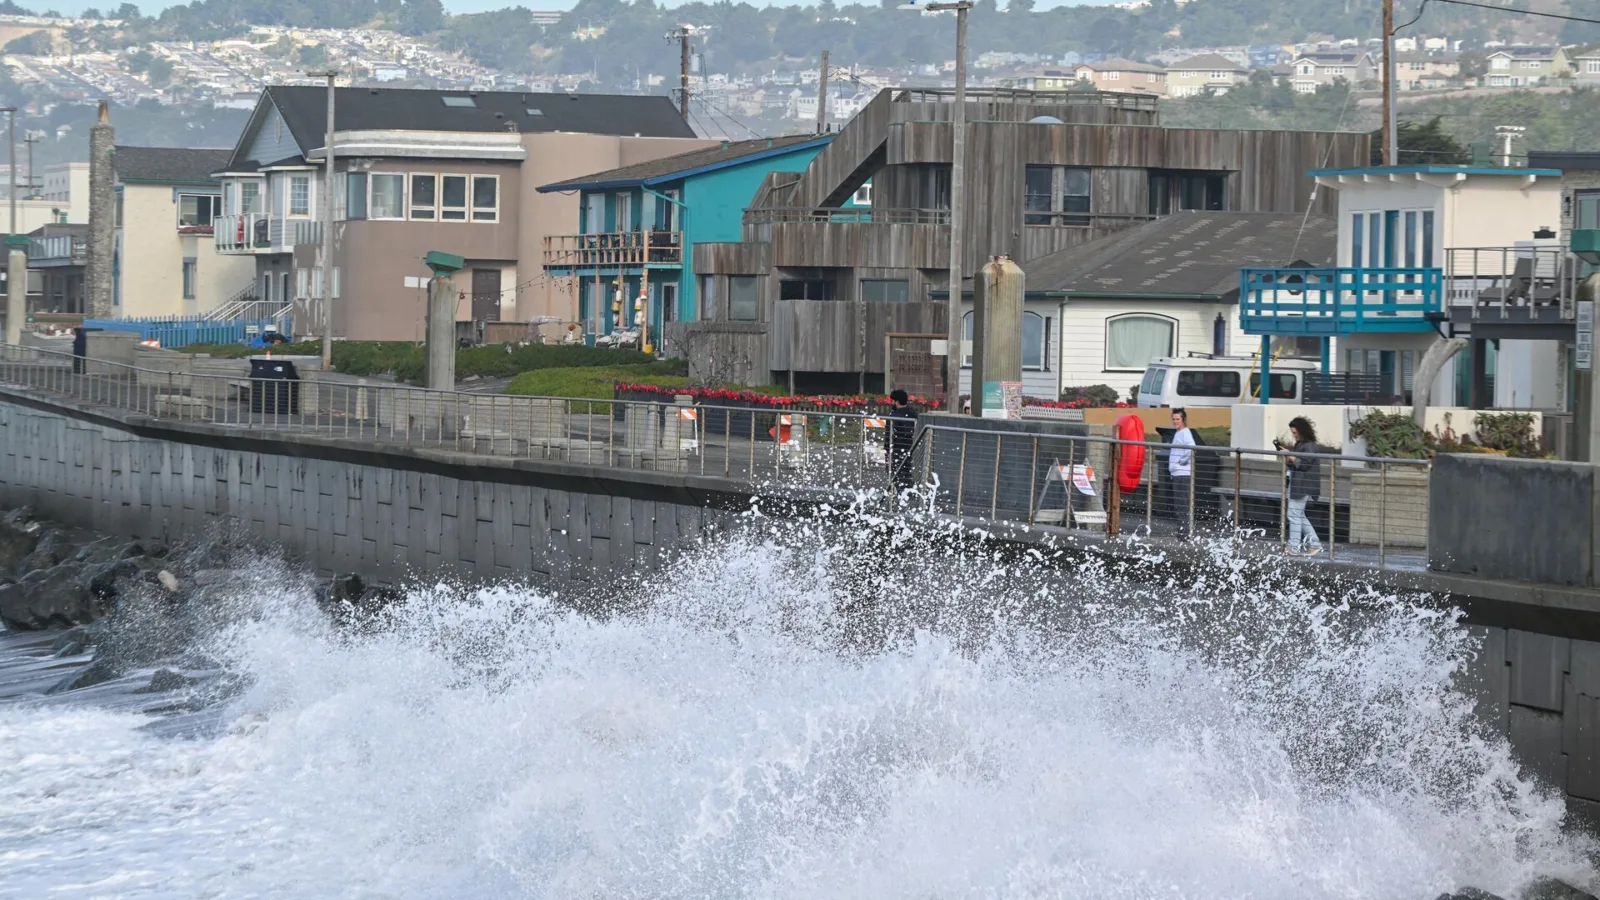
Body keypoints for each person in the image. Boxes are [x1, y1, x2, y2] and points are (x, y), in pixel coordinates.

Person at [1281, 416, 1324, 556]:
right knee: (1298, 515)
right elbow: (1296, 462)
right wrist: (1289, 456)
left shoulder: (1309, 445)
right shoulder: (1301, 444)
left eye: (1295, 432)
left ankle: (1293, 546)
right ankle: (1315, 543)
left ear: (1302, 431)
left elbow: (1305, 464)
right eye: (1292, 433)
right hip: (1297, 483)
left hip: (1302, 484)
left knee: (1293, 515)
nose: (1293, 435)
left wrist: (1290, 455)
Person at [1168, 408, 1195, 539]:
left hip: (1182, 474)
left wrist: (1181, 461)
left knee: (1182, 503)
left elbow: (1191, 448)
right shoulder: (1177, 433)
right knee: (1178, 503)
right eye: (1173, 419)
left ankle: (1184, 533)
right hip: (1176, 473)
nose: (1175, 422)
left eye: (1177, 419)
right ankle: (1181, 531)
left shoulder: (1185, 433)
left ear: (1183, 420)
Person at [885, 389, 919, 492]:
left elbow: (889, 435)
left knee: (895, 474)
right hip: (911, 448)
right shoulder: (913, 413)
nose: (891, 403)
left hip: (896, 449)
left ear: (897, 402)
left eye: (892, 401)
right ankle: (908, 494)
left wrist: (887, 449)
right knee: (907, 473)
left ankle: (900, 496)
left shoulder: (893, 416)